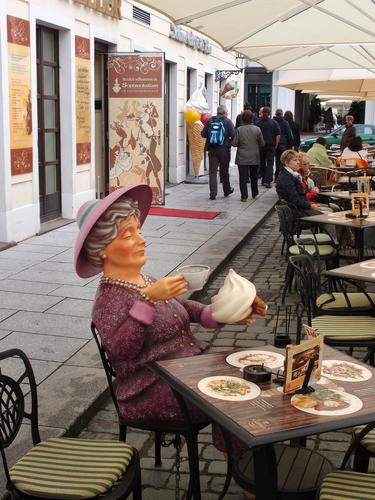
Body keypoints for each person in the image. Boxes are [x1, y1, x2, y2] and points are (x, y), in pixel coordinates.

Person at [74, 184, 267, 450]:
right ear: (103, 249)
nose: (142, 240)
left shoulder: (145, 280)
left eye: (138, 231)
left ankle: (250, 463)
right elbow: (122, 350)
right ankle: (247, 474)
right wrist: (148, 300)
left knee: (250, 374)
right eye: (129, 235)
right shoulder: (108, 299)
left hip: (187, 371)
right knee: (233, 396)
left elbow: (184, 307)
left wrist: (228, 311)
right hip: (150, 389)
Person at [201, 105, 235, 200]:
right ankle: (226, 190)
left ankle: (213, 193)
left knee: (212, 172)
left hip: (212, 149)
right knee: (224, 171)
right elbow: (233, 134)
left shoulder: (210, 121)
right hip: (224, 150)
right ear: (224, 112)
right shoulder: (228, 121)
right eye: (227, 111)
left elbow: (203, 134)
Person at [276, 149, 320, 217]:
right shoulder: (286, 178)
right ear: (286, 163)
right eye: (295, 160)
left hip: (297, 208)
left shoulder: (291, 174)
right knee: (327, 216)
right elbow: (294, 199)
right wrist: (310, 205)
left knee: (328, 213)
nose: (298, 162)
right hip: (295, 211)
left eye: (298, 160)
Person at [232, 110, 265, 201]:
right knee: (254, 175)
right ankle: (254, 193)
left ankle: (244, 196)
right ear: (252, 118)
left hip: (242, 157)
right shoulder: (257, 129)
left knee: (242, 177)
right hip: (254, 156)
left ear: (242, 119)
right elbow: (262, 143)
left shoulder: (239, 129)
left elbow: (234, 143)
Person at [256, 106, 280, 188]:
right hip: (271, 145)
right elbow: (278, 135)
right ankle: (268, 180)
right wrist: (276, 145)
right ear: (269, 113)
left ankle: (263, 179)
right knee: (270, 163)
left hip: (261, 146)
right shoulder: (274, 123)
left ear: (262, 113)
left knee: (262, 163)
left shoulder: (258, 123)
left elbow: (256, 136)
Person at [273, 109, 294, 181]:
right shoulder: (285, 123)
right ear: (282, 114)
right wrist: (291, 145)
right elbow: (289, 135)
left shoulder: (273, 122)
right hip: (283, 144)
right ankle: (280, 177)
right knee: (283, 161)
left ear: (275, 114)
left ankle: (276, 177)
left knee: (277, 161)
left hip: (275, 144)